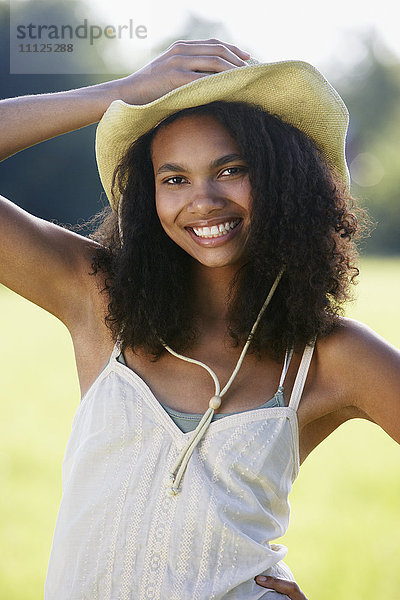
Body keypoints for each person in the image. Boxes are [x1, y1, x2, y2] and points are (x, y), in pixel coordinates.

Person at [1, 38, 399, 600]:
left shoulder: (329, 357)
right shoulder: (97, 299)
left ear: (282, 180)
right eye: (174, 178)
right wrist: (120, 95)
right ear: (148, 195)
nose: (203, 200)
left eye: (230, 170)